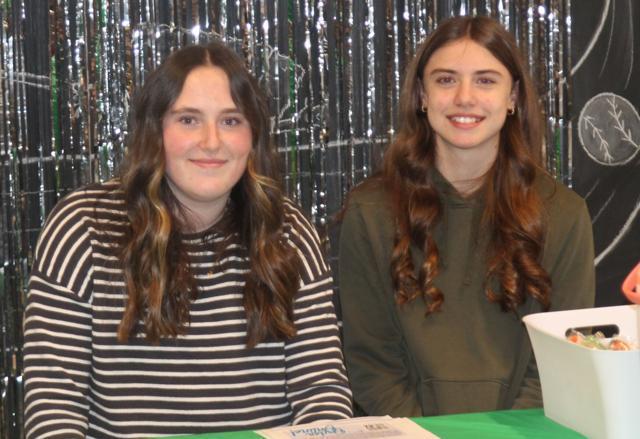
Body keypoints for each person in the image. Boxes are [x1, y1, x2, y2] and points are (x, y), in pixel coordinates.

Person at [23, 41, 352, 438]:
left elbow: (321, 393)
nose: (211, 142)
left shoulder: (290, 232)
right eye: (189, 120)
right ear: (155, 131)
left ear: (253, 138)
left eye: (231, 121)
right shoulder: (83, 227)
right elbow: (53, 406)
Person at [338, 15, 595, 417]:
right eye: (445, 80)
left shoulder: (564, 214)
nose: (464, 97)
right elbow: (372, 363)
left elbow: (560, 367)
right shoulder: (370, 212)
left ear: (513, 98)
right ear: (422, 96)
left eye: (486, 80)